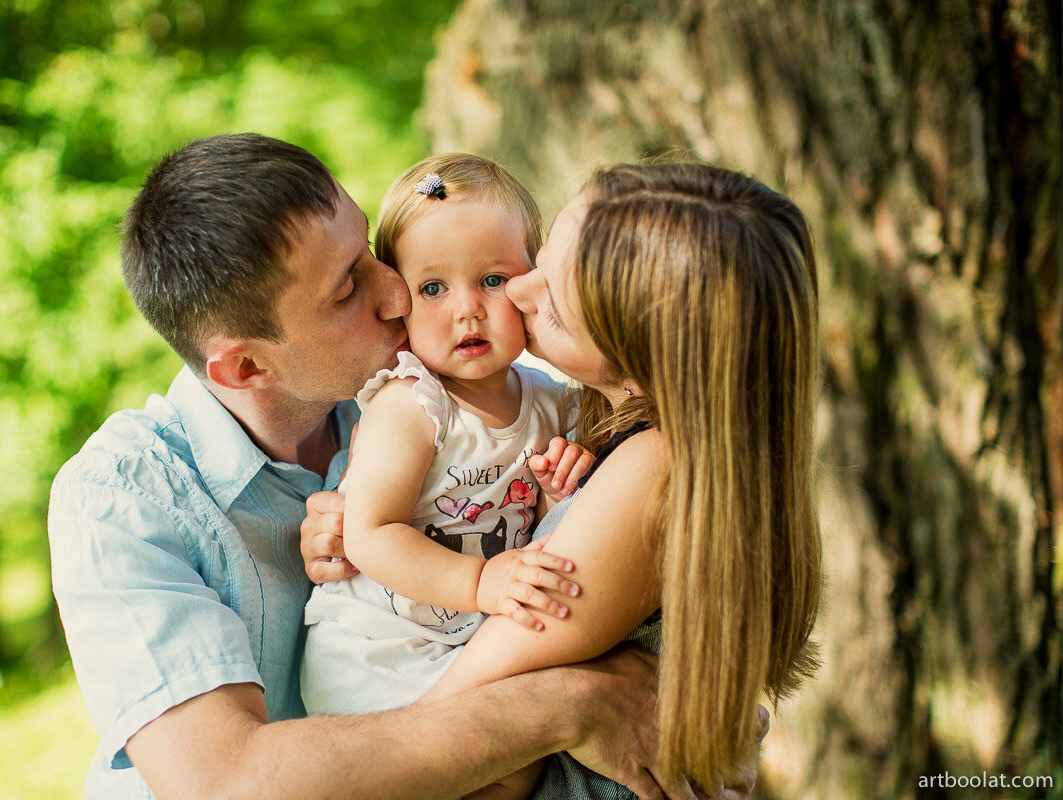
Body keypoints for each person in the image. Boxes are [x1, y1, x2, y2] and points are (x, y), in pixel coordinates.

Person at [47, 132, 677, 800]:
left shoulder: (422, 394)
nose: (399, 294)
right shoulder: (124, 500)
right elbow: (225, 784)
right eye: (349, 288)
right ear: (246, 366)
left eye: (371, 253)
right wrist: (561, 706)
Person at [306, 162, 820, 799]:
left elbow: (446, 727)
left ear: (637, 366)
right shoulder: (611, 433)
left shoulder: (653, 466)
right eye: (541, 262)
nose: (517, 295)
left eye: (549, 301)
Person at [301, 154, 594, 718]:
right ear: (399, 299)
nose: (467, 310)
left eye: (492, 280)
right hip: (377, 650)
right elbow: (370, 534)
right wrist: (481, 581)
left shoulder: (553, 400)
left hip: (469, 642)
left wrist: (559, 489)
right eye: (433, 287)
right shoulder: (411, 405)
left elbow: (542, 527)